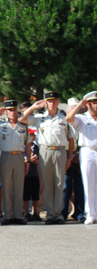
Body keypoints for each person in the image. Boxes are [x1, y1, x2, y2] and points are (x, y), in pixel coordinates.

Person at [19, 91, 74, 224]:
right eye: (49, 101)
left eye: (54, 101)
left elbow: (71, 139)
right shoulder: (39, 118)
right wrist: (33, 107)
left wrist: (70, 157)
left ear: (58, 102)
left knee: (59, 183)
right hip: (45, 151)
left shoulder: (63, 118)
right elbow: (21, 119)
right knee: (48, 183)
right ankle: (50, 214)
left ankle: (58, 214)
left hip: (60, 150)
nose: (52, 104)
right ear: (45, 103)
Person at [0, 100, 32, 225]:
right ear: (5, 112)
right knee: (6, 187)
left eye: (14, 109)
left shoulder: (23, 126)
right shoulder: (0, 126)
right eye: (9, 110)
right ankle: (8, 216)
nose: (12, 112)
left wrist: (28, 160)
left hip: (19, 157)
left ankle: (18, 215)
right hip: (6, 156)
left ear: (17, 111)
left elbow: (27, 144)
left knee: (18, 187)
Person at [66, 91, 97, 224]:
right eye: (93, 103)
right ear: (88, 104)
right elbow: (68, 118)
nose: (96, 106)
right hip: (88, 151)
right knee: (88, 183)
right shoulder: (82, 118)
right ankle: (90, 213)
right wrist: (80, 105)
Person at [61, 98, 85, 223]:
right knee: (66, 188)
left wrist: (79, 155)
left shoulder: (83, 123)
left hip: (81, 159)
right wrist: (68, 157)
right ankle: (63, 212)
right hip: (65, 159)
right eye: (72, 111)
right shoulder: (63, 125)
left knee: (80, 188)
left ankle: (79, 213)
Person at [24, 128, 41, 221]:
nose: (32, 137)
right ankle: (27, 211)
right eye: (30, 135)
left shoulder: (36, 147)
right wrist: (28, 159)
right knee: (26, 194)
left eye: (33, 135)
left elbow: (40, 160)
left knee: (35, 194)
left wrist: (35, 160)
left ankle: (35, 212)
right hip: (26, 174)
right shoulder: (23, 146)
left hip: (35, 173)